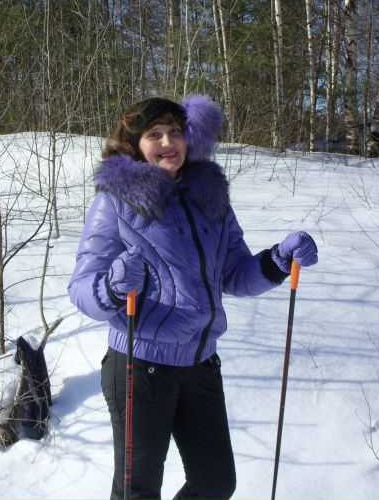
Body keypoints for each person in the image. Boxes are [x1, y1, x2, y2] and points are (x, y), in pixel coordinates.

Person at [68, 95, 318, 500]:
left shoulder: (209, 197)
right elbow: (82, 287)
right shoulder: (115, 200)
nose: (169, 142)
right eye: (154, 134)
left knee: (216, 482)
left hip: (201, 364)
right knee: (137, 491)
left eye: (175, 131)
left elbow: (235, 275)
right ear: (135, 144)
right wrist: (113, 286)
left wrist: (278, 259)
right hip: (139, 365)